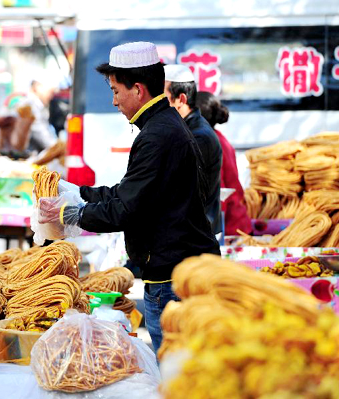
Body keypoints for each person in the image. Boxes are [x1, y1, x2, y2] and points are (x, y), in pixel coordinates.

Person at [38, 42, 220, 353]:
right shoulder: (164, 125)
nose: (113, 101)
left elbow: (126, 208)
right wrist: (78, 193)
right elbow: (129, 192)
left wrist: (70, 215)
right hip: (176, 268)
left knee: (176, 375)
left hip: (170, 276)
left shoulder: (157, 135)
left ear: (137, 89)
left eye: (116, 91)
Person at [163, 64, 223, 236]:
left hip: (196, 236)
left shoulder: (198, 138)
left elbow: (176, 192)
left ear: (180, 99)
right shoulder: (182, 129)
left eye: (161, 98)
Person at [196, 91, 252, 235]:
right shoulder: (220, 138)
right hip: (238, 222)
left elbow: (218, 192)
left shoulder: (208, 144)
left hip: (229, 229)